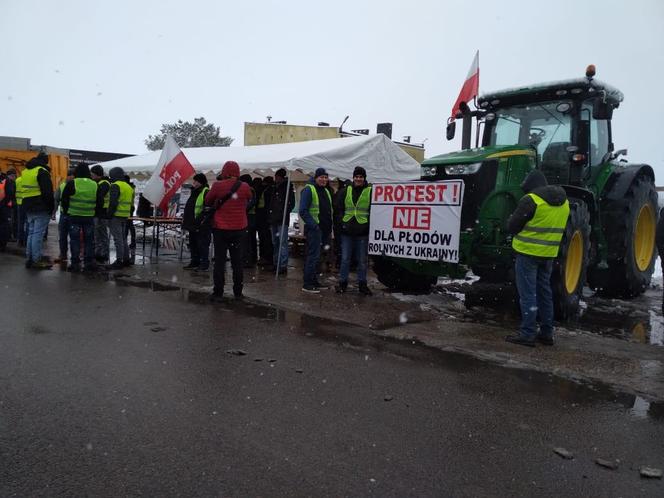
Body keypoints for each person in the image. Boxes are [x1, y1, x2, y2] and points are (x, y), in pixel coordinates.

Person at [505, 170, 569, 347]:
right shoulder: (564, 202)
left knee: (527, 295)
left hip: (527, 254)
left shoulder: (531, 200)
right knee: (545, 293)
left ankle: (527, 334)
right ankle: (547, 333)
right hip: (548, 254)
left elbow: (513, 226)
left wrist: (509, 221)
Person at [206, 160, 252, 301]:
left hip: (221, 229)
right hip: (239, 229)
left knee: (220, 262)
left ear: (224, 172)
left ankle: (218, 292)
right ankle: (238, 292)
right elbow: (249, 198)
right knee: (237, 262)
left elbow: (207, 201)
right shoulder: (244, 186)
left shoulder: (218, 186)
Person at [335, 166, 372, 295]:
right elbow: (338, 209)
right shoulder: (345, 191)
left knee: (362, 261)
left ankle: (362, 285)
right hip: (347, 231)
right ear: (353, 177)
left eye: (361, 177)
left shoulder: (370, 191)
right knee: (345, 259)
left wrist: (369, 226)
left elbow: (374, 211)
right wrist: (342, 223)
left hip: (362, 231)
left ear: (364, 178)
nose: (358, 179)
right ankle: (342, 283)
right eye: (356, 176)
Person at [299, 167, 333, 293]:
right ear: (316, 178)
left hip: (324, 229)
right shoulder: (309, 189)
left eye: (325, 177)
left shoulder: (326, 191)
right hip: (315, 229)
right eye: (321, 177)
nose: (324, 179)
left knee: (318, 257)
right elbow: (303, 211)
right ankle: (307, 284)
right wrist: (314, 226)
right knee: (312, 256)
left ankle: (314, 281)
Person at [60, 163, 99, 272]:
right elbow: (99, 200)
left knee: (75, 240)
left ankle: (75, 263)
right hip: (89, 217)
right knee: (89, 240)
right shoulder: (94, 184)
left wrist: (67, 211)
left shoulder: (72, 183)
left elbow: (64, 199)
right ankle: (88, 263)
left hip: (74, 216)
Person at [22, 153, 54, 269]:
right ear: (45, 162)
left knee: (31, 233)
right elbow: (48, 193)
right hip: (40, 207)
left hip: (28, 206)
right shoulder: (42, 171)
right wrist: (51, 208)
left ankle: (29, 258)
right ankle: (36, 259)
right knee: (38, 234)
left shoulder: (26, 171)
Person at [268, 168, 295, 275]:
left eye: (277, 177)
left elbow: (291, 204)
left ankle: (282, 265)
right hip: (275, 218)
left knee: (281, 243)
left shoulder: (286, 188)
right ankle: (277, 263)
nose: (276, 179)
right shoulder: (275, 188)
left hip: (281, 219)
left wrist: (283, 212)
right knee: (276, 242)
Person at [181, 173, 211, 271]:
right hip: (192, 224)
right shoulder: (194, 192)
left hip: (201, 224)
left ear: (201, 182)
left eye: (196, 181)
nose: (193, 183)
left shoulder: (205, 192)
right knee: (193, 244)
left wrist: (200, 220)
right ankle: (195, 261)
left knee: (202, 244)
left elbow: (207, 209)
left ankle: (204, 263)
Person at [107, 167, 133, 269]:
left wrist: (109, 215)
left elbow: (113, 203)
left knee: (118, 239)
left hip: (116, 216)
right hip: (124, 215)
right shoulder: (128, 186)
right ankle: (126, 259)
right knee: (123, 238)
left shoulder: (115, 185)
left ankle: (119, 260)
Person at [90, 165, 111, 264]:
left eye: (92, 174)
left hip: (102, 213)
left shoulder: (104, 183)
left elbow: (98, 197)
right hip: (98, 213)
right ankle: (98, 253)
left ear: (97, 174)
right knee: (97, 234)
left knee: (102, 235)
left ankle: (104, 254)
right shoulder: (98, 183)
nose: (91, 176)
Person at [53, 167, 75, 263]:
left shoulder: (64, 185)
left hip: (72, 214)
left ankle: (71, 255)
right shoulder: (62, 186)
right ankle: (63, 254)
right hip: (66, 214)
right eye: (71, 176)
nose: (72, 178)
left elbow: (56, 199)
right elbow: (56, 200)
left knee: (72, 236)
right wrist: (54, 212)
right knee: (63, 236)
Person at [256, 176, 274, 266]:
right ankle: (267, 257)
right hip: (265, 217)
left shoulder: (267, 191)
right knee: (266, 238)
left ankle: (266, 258)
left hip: (264, 217)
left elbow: (263, 204)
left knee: (265, 238)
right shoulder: (269, 190)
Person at [240, 174, 257, 268]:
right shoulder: (250, 189)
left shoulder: (249, 190)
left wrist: (242, 209)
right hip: (250, 217)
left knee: (247, 239)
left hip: (249, 217)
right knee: (250, 239)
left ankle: (247, 260)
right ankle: (250, 259)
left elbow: (251, 202)